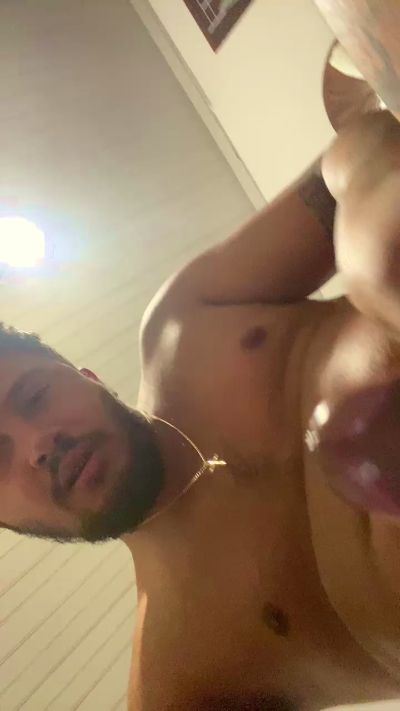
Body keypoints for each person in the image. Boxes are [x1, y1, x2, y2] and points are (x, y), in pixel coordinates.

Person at [2, 110, 400, 711]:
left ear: (87, 377)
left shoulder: (183, 321)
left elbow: (354, 149)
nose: (39, 445)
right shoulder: (182, 673)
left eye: (33, 397)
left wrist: (378, 225)